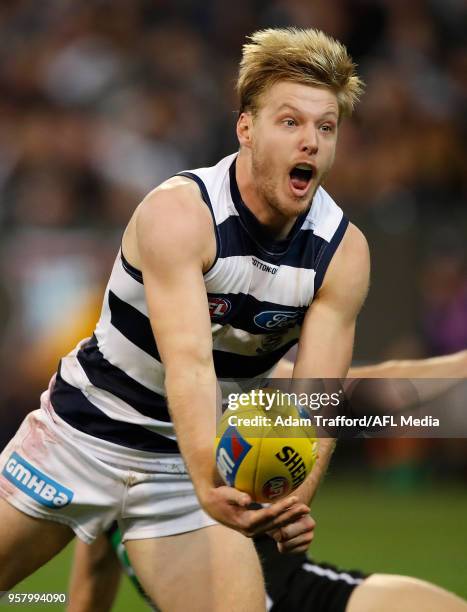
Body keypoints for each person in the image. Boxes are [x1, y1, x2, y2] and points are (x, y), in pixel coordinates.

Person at [0, 27, 370, 610]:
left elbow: (314, 402)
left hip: (181, 465)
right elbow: (191, 364)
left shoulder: (342, 254)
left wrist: (293, 499)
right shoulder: (180, 213)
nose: (311, 143)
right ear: (245, 127)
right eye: (290, 122)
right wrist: (209, 481)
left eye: (326, 128)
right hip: (82, 434)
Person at [67, 351, 467, 612]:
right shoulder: (103, 449)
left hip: (299, 592)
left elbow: (371, 384)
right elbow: (90, 583)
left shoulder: (242, 381)